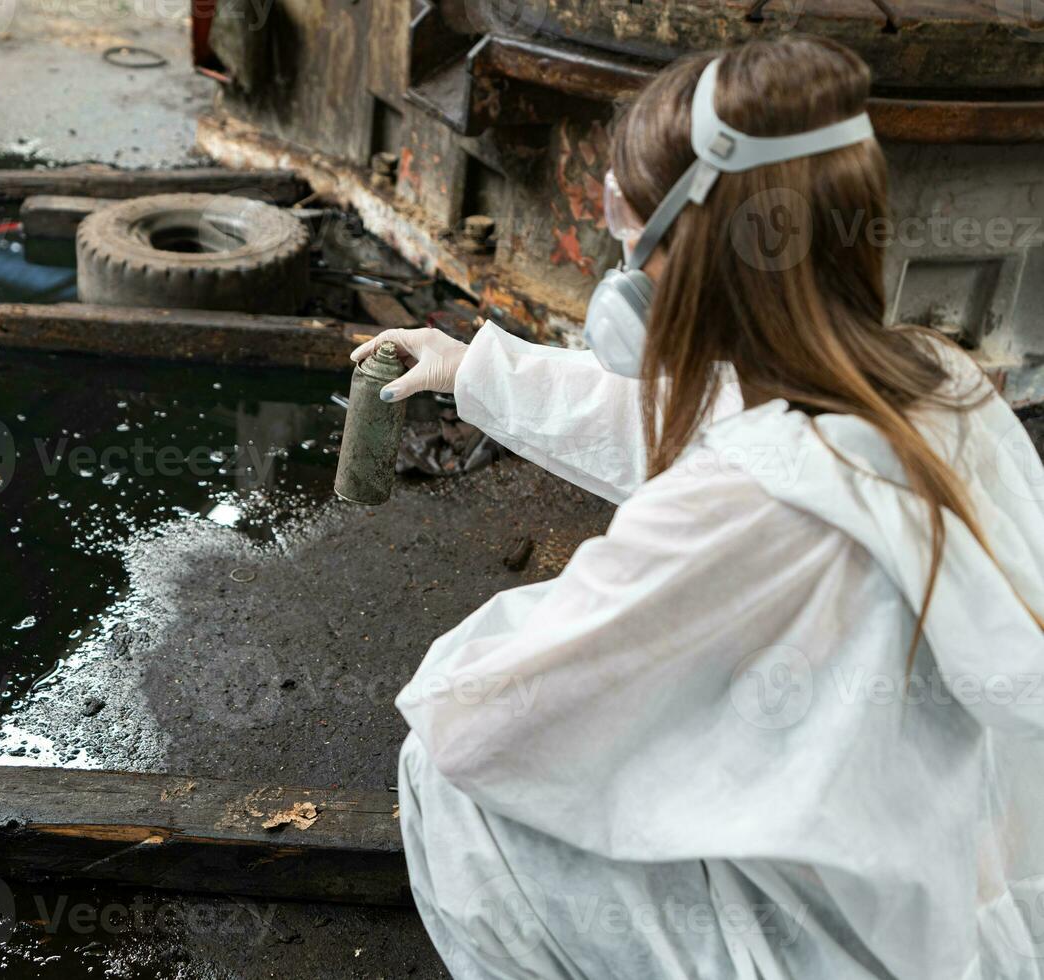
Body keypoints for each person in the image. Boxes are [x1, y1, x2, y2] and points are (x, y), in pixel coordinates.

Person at [352, 35, 1044, 980]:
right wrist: (477, 364)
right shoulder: (939, 388)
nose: (619, 251)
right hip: (932, 887)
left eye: (626, 221)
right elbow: (723, 418)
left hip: (833, 945)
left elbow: (492, 722)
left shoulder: (742, 503)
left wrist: (476, 651)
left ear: (695, 244)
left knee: (450, 787)